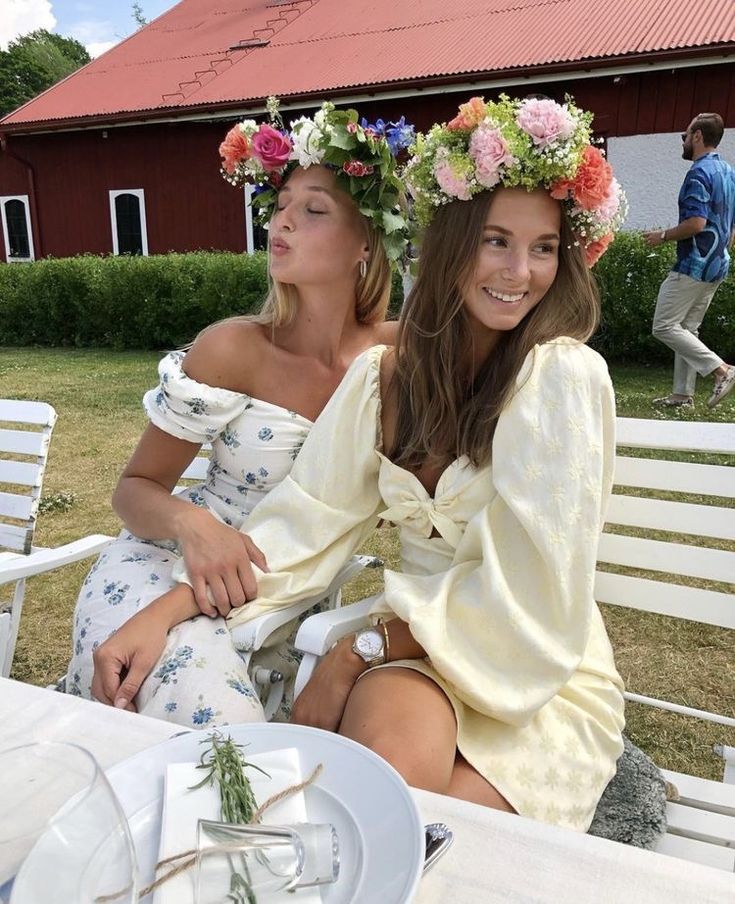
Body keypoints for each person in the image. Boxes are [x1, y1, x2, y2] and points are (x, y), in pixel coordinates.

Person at [99, 95, 628, 833]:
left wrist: (355, 653)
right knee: (365, 807)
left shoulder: (561, 376)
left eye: (542, 249)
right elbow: (303, 525)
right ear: (450, 244)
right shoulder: (382, 379)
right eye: (495, 242)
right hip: (423, 655)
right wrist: (161, 612)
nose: (519, 272)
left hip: (535, 662)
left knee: (440, 838)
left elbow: (534, 599)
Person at [66, 100, 414, 727]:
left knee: (212, 742)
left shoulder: (399, 355)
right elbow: (134, 490)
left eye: (312, 211)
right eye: (279, 208)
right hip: (159, 566)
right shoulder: (233, 347)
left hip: (276, 590)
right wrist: (194, 527)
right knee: (195, 716)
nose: (281, 225)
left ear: (367, 240)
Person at [644, 112, 735, 409]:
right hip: (718, 264)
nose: (682, 142)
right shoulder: (728, 172)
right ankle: (683, 396)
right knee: (686, 328)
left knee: (664, 326)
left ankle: (722, 370)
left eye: (684, 136)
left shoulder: (698, 174)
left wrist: (663, 236)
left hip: (693, 265)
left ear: (697, 136)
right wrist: (721, 251)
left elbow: (696, 223)